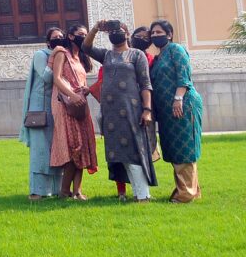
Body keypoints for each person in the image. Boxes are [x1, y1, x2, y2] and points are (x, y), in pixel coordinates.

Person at [82, 21, 157, 202]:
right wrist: (96, 28)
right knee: (119, 154)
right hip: (111, 114)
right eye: (113, 31)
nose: (116, 33)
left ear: (126, 34)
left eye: (119, 31)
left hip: (131, 110)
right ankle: (131, 193)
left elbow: (146, 84)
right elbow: (86, 47)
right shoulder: (107, 55)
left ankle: (143, 195)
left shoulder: (136, 55)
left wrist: (147, 110)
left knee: (133, 151)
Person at [148, 19, 204, 203]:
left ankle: (186, 194)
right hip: (167, 112)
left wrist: (178, 99)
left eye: (159, 32)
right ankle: (190, 189)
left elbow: (183, 75)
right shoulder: (159, 57)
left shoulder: (176, 50)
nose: (155, 35)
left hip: (182, 105)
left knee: (184, 147)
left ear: (169, 34)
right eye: (153, 33)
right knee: (174, 148)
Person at [47, 24, 97, 200]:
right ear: (70, 36)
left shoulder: (80, 58)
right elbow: (57, 78)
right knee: (73, 145)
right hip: (66, 105)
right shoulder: (62, 54)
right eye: (80, 34)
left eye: (86, 34)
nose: (83, 37)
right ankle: (64, 191)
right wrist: (72, 95)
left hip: (80, 104)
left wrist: (84, 90)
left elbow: (79, 80)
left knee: (83, 145)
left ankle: (77, 191)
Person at [19, 30, 63, 200]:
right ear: (47, 42)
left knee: (55, 150)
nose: (59, 40)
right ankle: (37, 191)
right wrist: (56, 59)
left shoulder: (62, 55)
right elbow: (47, 77)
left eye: (61, 38)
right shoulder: (41, 55)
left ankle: (56, 190)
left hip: (55, 108)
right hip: (39, 109)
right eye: (55, 38)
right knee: (40, 151)